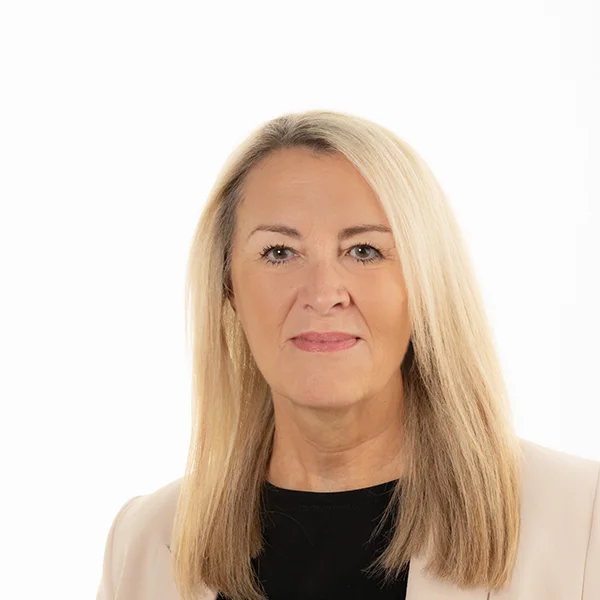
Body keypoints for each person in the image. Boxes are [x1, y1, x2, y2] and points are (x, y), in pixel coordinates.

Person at [96, 109, 600, 600]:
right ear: (227, 286)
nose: (323, 294)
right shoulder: (143, 545)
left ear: (425, 282)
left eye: (364, 251)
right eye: (279, 253)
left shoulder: (582, 522)